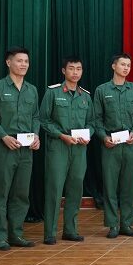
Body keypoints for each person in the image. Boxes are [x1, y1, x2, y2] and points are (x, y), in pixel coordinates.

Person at [0, 46, 40, 250]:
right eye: (19, 60)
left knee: (21, 194)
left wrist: (36, 135)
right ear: (9, 63)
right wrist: (3, 136)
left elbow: (36, 116)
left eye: (26, 61)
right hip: (4, 148)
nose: (23, 64)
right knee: (1, 194)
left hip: (26, 149)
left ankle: (16, 234)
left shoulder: (32, 90)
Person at [40, 56, 94, 245]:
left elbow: (92, 122)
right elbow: (44, 120)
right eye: (71, 68)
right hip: (58, 147)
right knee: (54, 189)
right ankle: (50, 232)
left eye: (78, 69)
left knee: (75, 188)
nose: (75, 72)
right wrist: (61, 135)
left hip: (79, 148)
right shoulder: (53, 93)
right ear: (64, 71)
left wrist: (88, 134)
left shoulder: (85, 96)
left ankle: (70, 229)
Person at [93, 53, 133, 239]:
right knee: (110, 185)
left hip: (130, 144)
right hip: (111, 145)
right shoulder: (102, 90)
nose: (126, 68)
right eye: (122, 64)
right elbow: (96, 118)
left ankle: (127, 224)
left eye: (128, 65)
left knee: (128, 186)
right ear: (113, 66)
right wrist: (103, 137)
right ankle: (112, 224)